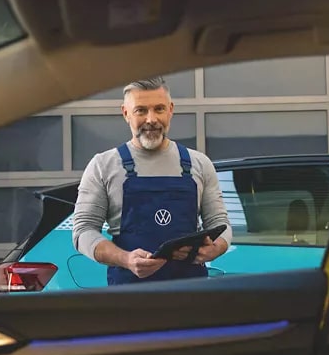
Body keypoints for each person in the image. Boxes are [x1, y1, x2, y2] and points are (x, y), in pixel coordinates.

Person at [73, 77, 231, 285]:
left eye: (159, 109)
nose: (151, 119)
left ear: (170, 110)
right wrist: (126, 259)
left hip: (191, 295)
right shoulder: (104, 165)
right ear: (125, 113)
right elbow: (83, 231)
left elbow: (221, 224)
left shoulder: (198, 163)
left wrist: (216, 248)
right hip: (130, 299)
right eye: (141, 110)